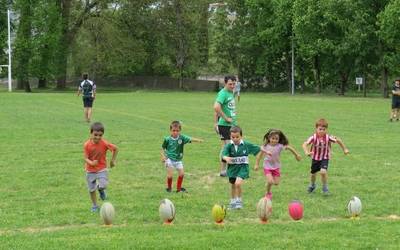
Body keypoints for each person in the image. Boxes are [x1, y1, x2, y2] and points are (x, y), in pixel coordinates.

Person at [302, 118, 349, 195]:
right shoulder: (313, 137)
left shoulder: (328, 137)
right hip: (315, 158)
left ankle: (325, 188)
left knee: (323, 172)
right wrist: (306, 152)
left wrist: (345, 149)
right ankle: (312, 185)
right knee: (313, 174)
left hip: (325, 158)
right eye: (320, 129)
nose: (322, 131)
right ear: (316, 129)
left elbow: (338, 140)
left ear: (326, 129)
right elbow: (304, 144)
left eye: (324, 129)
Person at [254, 129, 302, 200]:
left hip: (276, 166)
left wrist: (296, 155)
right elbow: (259, 156)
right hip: (267, 166)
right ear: (269, 138)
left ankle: (268, 183)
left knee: (276, 183)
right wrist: (256, 164)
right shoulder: (265, 146)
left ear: (279, 139)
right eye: (273, 138)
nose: (274, 140)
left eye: (276, 139)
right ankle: (268, 193)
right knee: (270, 181)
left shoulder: (279, 146)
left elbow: (289, 148)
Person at [222, 126, 262, 209]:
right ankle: (233, 202)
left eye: (237, 137)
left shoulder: (246, 145)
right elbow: (223, 155)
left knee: (238, 183)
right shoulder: (229, 146)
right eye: (233, 137)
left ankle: (239, 202)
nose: (235, 139)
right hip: (232, 169)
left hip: (243, 168)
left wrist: (257, 163)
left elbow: (259, 149)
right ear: (230, 137)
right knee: (233, 185)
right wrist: (226, 158)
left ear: (241, 136)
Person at [83, 122, 118, 212]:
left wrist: (113, 160)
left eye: (100, 135)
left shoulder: (104, 143)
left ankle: (101, 190)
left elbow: (116, 149)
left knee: (103, 184)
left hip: (101, 168)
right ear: (91, 133)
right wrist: (91, 163)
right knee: (91, 189)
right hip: (90, 170)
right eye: (95, 135)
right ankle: (94, 205)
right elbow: (85, 158)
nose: (98, 137)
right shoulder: (87, 145)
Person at [161, 121, 203, 193]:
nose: (175, 132)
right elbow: (162, 148)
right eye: (173, 131)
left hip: (178, 160)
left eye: (177, 131)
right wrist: (163, 156)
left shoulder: (182, 138)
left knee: (181, 174)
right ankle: (169, 188)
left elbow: (190, 139)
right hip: (169, 159)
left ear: (180, 131)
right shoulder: (167, 139)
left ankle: (179, 189)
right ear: (170, 130)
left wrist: (198, 140)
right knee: (170, 176)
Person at [214, 75, 237, 177]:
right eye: (230, 84)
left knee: (227, 147)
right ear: (225, 83)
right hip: (225, 125)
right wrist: (225, 118)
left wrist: (216, 123)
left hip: (230, 125)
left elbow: (222, 108)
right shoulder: (223, 93)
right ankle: (224, 171)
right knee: (227, 147)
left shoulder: (231, 92)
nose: (232, 86)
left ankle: (224, 171)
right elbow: (216, 107)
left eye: (234, 84)